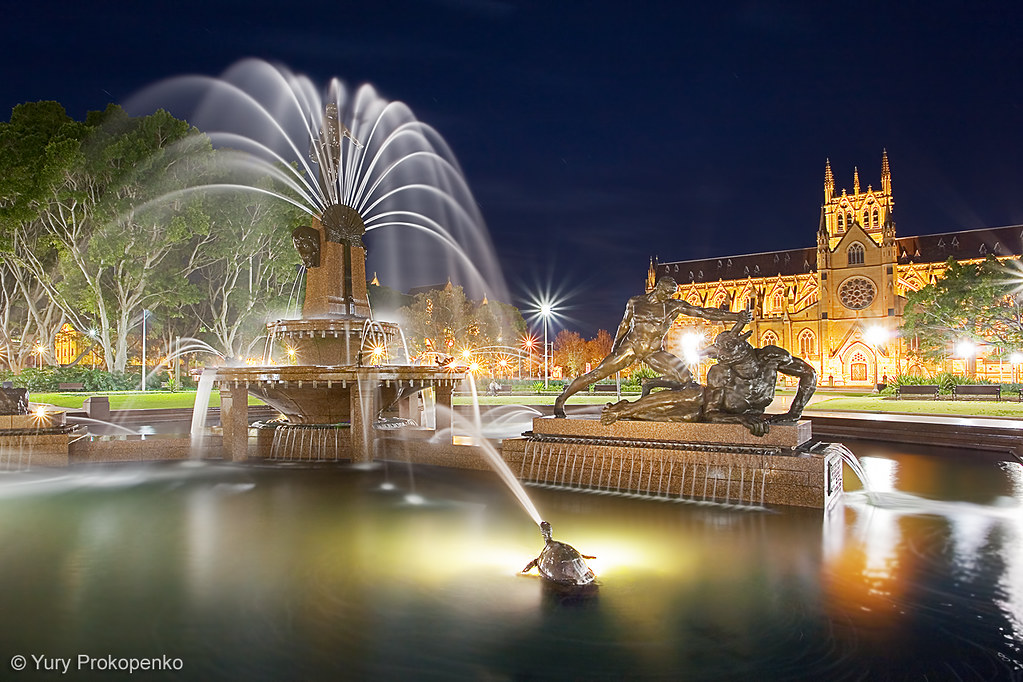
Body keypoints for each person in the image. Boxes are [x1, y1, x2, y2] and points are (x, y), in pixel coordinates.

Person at [554, 276, 752, 417]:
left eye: (672, 293)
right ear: (658, 288)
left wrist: (735, 316)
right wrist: (615, 347)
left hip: (654, 352)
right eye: (667, 292)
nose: (670, 296)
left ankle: (652, 391)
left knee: (686, 378)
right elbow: (624, 324)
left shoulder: (673, 306)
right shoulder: (636, 302)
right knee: (596, 374)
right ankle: (562, 399)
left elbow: (703, 312)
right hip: (632, 347)